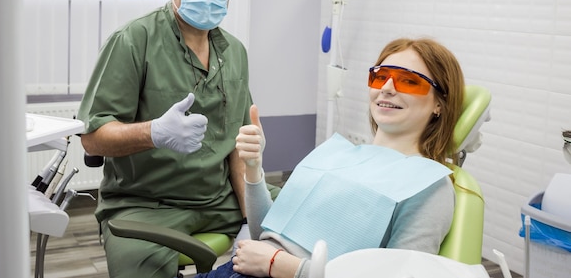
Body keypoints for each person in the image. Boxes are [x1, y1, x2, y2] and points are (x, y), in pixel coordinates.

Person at [196, 37, 465, 278]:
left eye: (409, 81)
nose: (387, 88)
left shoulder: (428, 184)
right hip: (238, 268)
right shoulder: (338, 153)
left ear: (440, 104)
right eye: (380, 77)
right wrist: (254, 169)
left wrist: (281, 265)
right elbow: (264, 234)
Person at [77, 0, 253, 278]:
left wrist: (251, 219)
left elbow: (238, 145)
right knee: (139, 267)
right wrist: (154, 132)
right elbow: (93, 137)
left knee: (300, 223)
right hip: (145, 203)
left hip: (219, 198)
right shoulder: (133, 40)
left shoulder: (235, 51)